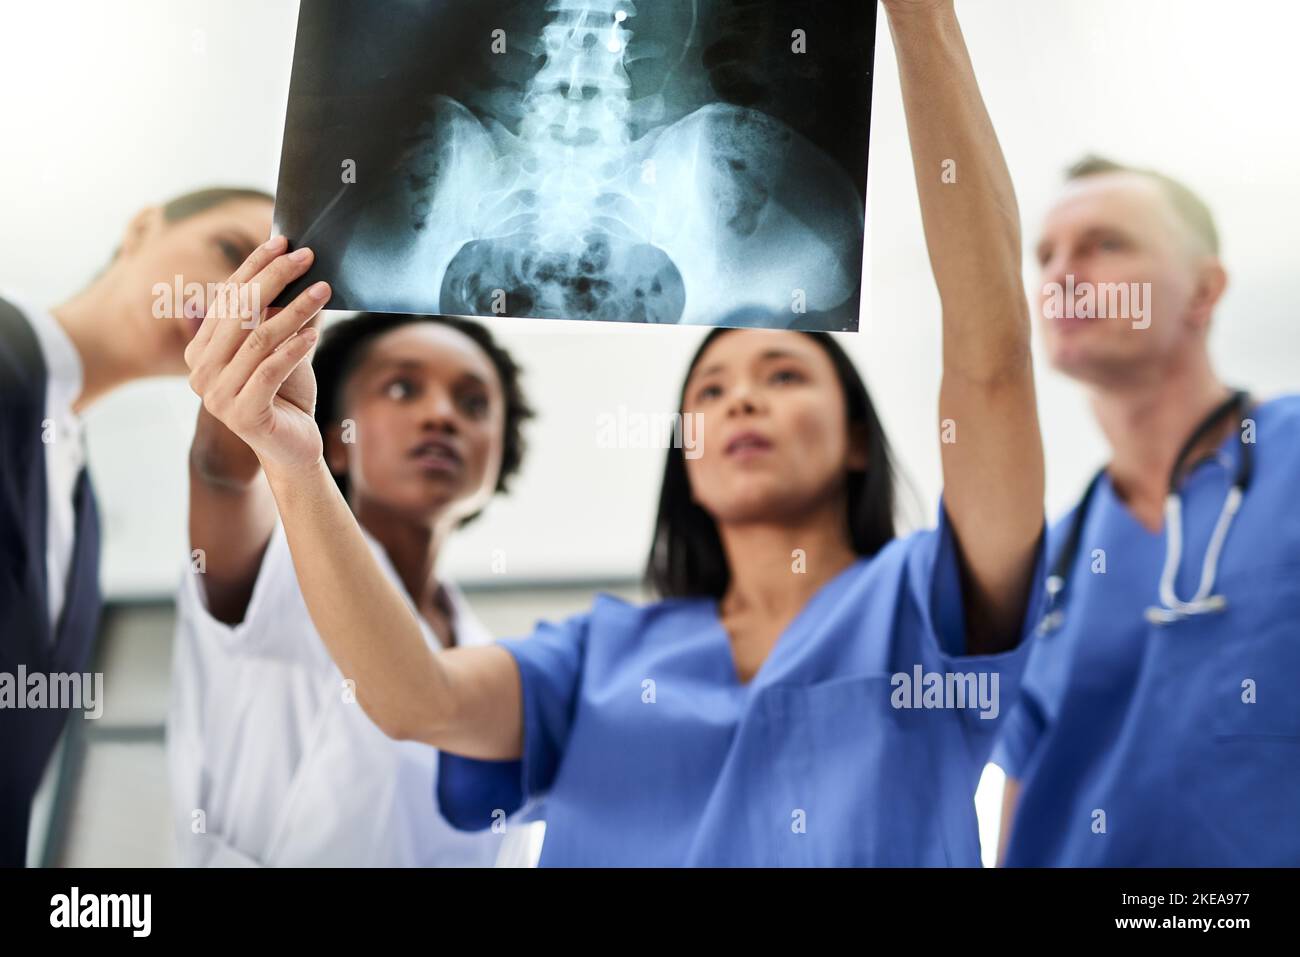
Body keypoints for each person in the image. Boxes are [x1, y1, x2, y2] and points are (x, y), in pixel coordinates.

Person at [183, 0, 1047, 866]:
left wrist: (923, 21)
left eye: (783, 375)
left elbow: (992, 367)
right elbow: (418, 702)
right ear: (687, 457)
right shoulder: (601, 655)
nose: (741, 401)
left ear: (858, 436)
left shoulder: (932, 610)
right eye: (710, 391)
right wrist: (294, 463)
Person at [994, 156, 1300, 866]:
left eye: (1106, 244)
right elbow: (1018, 793)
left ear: (1204, 288)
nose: (1063, 273)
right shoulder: (1044, 566)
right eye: (1046, 255)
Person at [167, 307, 535, 866]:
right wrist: (248, 404)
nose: (441, 415)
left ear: (499, 455)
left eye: (473, 402)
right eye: (402, 387)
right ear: (335, 438)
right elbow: (222, 475)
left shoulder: (491, 660)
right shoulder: (277, 562)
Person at [0, 187, 274, 866]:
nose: (236, 302)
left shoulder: (82, 518)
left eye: (266, 302)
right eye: (231, 252)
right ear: (142, 227)